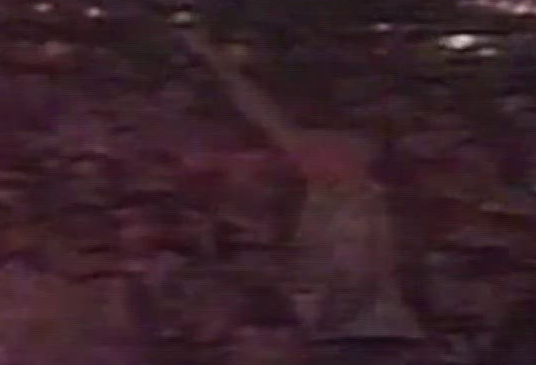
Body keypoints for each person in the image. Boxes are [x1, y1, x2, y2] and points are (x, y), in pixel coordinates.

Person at [180, 25, 421, 342]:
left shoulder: (358, 211)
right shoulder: (323, 192)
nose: (303, 154)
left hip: (365, 336)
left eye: (325, 151)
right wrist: (213, 58)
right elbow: (265, 116)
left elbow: (356, 286)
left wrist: (313, 333)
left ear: (358, 159)